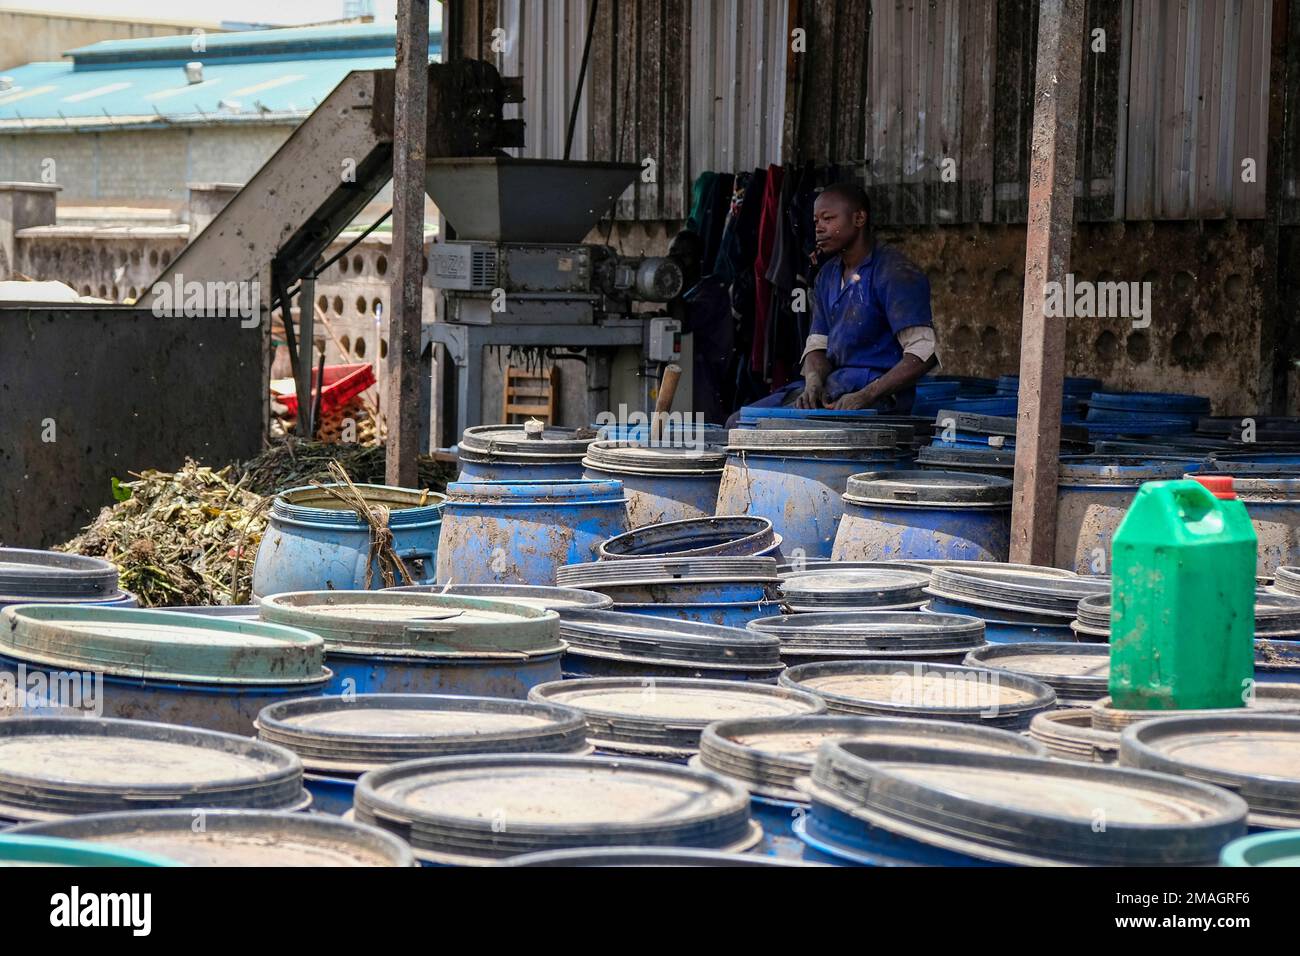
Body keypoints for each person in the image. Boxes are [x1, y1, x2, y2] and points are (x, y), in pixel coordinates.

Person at [736, 182, 937, 422]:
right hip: (835, 388)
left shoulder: (895, 272)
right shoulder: (827, 275)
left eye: (828, 218)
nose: (819, 228)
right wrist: (812, 383)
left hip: (879, 401)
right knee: (738, 421)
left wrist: (866, 395)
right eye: (816, 221)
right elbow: (817, 347)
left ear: (859, 218)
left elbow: (924, 353)